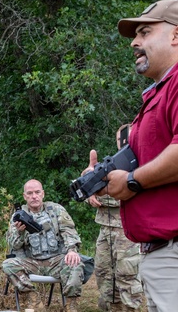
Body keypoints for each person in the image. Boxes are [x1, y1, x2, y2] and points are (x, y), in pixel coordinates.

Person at [90, 0, 178, 312]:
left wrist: (131, 181)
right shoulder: (160, 91)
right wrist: (106, 179)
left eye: (144, 32)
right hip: (160, 254)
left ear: (176, 35)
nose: (135, 43)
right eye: (134, 36)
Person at [2, 179, 84, 312]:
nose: (34, 196)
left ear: (43, 194)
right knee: (8, 264)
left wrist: (72, 250)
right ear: (24, 196)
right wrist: (20, 232)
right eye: (30, 193)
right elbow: (14, 246)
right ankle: (34, 301)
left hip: (56, 260)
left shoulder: (56, 210)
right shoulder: (17, 216)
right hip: (32, 262)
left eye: (37, 192)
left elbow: (69, 231)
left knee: (76, 263)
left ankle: (71, 305)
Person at [85, 124, 142, 311]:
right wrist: (90, 189)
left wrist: (103, 192)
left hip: (129, 233)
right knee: (104, 277)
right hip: (105, 231)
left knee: (128, 280)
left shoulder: (143, 165)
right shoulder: (108, 167)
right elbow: (95, 196)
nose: (123, 142)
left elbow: (128, 194)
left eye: (127, 138)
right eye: (120, 139)